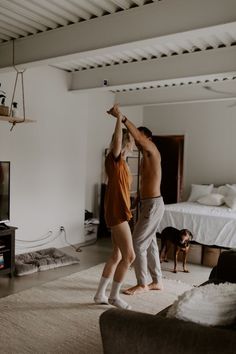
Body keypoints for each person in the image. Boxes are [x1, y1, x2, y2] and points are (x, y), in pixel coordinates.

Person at [108, 104, 165, 295]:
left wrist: (122, 118)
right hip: (147, 204)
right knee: (150, 243)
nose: (134, 141)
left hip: (153, 205)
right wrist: (136, 200)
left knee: (138, 244)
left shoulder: (151, 149)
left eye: (136, 137)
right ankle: (157, 281)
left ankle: (142, 283)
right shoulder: (144, 157)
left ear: (146, 138)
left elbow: (138, 137)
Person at [94, 104, 135, 309]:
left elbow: (124, 190)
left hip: (121, 211)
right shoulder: (114, 160)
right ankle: (114, 296)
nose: (134, 145)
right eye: (132, 142)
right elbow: (117, 139)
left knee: (117, 255)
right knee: (130, 256)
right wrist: (119, 118)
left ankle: (100, 294)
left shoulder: (125, 165)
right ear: (127, 143)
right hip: (117, 213)